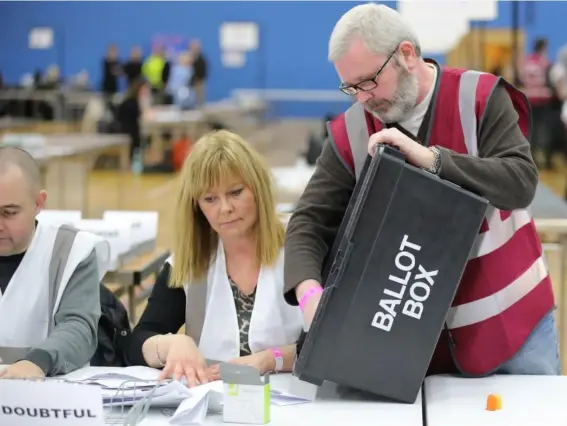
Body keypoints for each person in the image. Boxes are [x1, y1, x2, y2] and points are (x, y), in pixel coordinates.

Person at [284, 3, 559, 377]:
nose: (363, 98)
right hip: (417, 345)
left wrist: (432, 161)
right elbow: (308, 222)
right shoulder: (350, 133)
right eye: (352, 87)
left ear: (407, 55)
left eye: (369, 81)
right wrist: (310, 296)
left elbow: (520, 182)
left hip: (515, 330)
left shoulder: (479, 97)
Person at [126, 130, 302, 386]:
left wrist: (271, 359)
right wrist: (172, 343)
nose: (225, 208)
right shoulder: (187, 264)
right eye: (210, 199)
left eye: (236, 192)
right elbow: (137, 342)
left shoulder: (300, 249)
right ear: (196, 206)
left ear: (258, 189)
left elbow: (332, 341)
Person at [0, 147, 110, 379]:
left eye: (9, 213)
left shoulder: (72, 251)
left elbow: (79, 327)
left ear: (39, 203)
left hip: (53, 401)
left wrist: (38, 361)